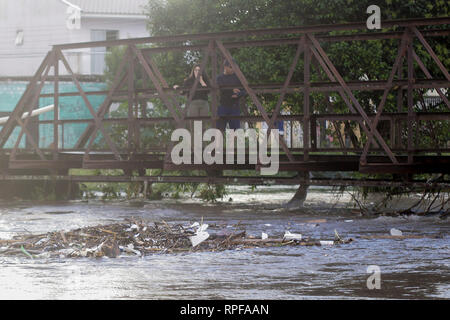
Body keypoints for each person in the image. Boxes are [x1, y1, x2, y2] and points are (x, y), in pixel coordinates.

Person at [173, 64, 210, 130]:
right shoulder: (188, 80)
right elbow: (183, 92)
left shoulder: (205, 80)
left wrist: (201, 81)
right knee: (194, 125)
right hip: (193, 104)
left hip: (204, 103)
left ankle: (202, 139)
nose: (197, 71)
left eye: (199, 70)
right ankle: (194, 139)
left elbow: (208, 90)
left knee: (203, 126)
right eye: (196, 70)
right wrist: (177, 88)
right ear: (193, 71)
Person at [216, 59, 246, 131]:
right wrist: (231, 90)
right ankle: (218, 142)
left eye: (234, 67)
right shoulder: (219, 78)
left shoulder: (237, 77)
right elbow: (221, 89)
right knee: (219, 130)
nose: (233, 69)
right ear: (225, 67)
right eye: (231, 67)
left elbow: (244, 90)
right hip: (223, 106)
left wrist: (238, 94)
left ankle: (234, 142)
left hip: (235, 107)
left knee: (235, 131)